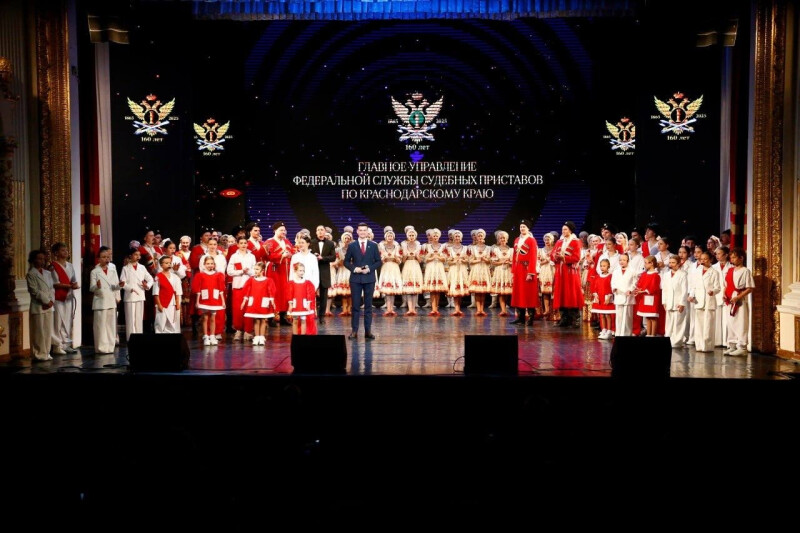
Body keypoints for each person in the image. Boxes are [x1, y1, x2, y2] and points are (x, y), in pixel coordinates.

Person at [343, 222, 382, 339]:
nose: (363, 232)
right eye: (361, 230)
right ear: (357, 231)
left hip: (369, 279)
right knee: (355, 306)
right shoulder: (352, 245)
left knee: (368, 306)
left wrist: (369, 269)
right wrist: (355, 269)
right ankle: (354, 331)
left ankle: (368, 331)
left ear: (367, 232)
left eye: (365, 230)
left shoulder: (373, 245)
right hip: (355, 279)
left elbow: (378, 262)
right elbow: (346, 262)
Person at [723, 248, 755, 357]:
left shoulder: (745, 271)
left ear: (741, 258)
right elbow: (726, 285)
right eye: (731, 257)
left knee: (740, 323)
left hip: (739, 300)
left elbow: (750, 288)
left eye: (734, 257)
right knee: (730, 322)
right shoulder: (730, 270)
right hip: (729, 299)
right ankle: (732, 345)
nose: (732, 259)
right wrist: (724, 294)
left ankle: (742, 347)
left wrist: (738, 297)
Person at [90, 248, 121, 354]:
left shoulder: (113, 270)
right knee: (100, 326)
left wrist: (120, 285)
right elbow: (91, 288)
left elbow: (114, 286)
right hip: (100, 301)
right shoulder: (94, 272)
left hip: (111, 301)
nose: (106, 259)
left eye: (108, 257)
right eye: (103, 257)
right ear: (98, 259)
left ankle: (110, 347)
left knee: (110, 326)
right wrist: (97, 286)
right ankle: (101, 348)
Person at [551, 221, 583, 328]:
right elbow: (552, 255)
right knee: (562, 294)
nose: (563, 231)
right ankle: (564, 319)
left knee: (571, 294)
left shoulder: (576, 242)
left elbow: (576, 257)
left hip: (570, 273)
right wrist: (555, 256)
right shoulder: (559, 242)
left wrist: (564, 258)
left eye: (565, 229)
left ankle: (575, 319)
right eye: (562, 229)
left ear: (570, 230)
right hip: (560, 273)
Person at [27, 250, 57, 360]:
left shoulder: (48, 273)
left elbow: (51, 289)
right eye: (39, 259)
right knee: (38, 332)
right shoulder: (31, 274)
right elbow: (35, 291)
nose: (42, 261)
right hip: (38, 306)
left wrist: (51, 301)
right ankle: (38, 354)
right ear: (33, 260)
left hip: (49, 306)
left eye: (43, 259)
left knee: (47, 331)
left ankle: (46, 352)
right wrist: (46, 301)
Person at [49, 242, 79, 353]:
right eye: (62, 250)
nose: (65, 252)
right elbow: (55, 283)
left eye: (66, 250)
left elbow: (73, 280)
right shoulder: (53, 266)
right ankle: (58, 346)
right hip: (58, 297)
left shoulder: (70, 266)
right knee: (58, 321)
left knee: (67, 320)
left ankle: (66, 344)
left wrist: (75, 285)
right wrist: (70, 286)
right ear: (56, 253)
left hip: (68, 296)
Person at [688, 251, 720, 352]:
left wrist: (713, 291)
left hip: (708, 301)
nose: (703, 261)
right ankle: (699, 346)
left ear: (710, 259)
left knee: (708, 325)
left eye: (705, 259)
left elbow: (718, 288)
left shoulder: (714, 272)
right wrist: (691, 295)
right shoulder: (697, 271)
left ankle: (707, 347)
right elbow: (693, 286)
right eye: (701, 259)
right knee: (699, 325)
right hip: (698, 301)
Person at [120, 247, 154, 341]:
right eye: (136, 255)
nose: (138, 257)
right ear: (130, 256)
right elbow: (122, 282)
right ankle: (131, 339)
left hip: (140, 295)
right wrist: (130, 288)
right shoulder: (125, 268)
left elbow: (150, 279)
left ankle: (139, 338)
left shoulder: (142, 267)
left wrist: (147, 286)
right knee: (130, 319)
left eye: (139, 255)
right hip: (130, 296)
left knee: (139, 318)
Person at [509, 220, 539, 326]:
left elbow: (533, 257)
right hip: (518, 269)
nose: (522, 228)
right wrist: (513, 271)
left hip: (527, 269)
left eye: (524, 227)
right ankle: (520, 318)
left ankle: (530, 318)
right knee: (519, 293)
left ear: (528, 228)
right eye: (521, 227)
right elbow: (514, 256)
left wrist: (530, 273)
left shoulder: (531, 240)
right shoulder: (517, 240)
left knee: (528, 293)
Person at [227, 236, 256, 341]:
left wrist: (248, 271)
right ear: (238, 245)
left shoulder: (251, 256)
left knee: (248, 308)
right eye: (241, 243)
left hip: (249, 286)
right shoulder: (234, 256)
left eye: (245, 243)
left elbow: (255, 270)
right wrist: (241, 271)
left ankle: (248, 331)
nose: (243, 245)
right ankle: (238, 330)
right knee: (238, 309)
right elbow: (229, 271)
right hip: (238, 286)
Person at [265, 221, 295, 326]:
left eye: (284, 230)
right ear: (275, 231)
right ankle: (271, 318)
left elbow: (292, 251)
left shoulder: (286, 241)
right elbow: (268, 256)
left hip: (285, 271)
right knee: (274, 292)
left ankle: (283, 316)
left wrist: (290, 254)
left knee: (285, 293)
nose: (283, 232)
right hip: (274, 271)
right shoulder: (269, 242)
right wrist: (281, 255)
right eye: (281, 230)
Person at [193, 255, 226, 346]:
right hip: (204, 298)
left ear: (214, 264)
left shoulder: (218, 275)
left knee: (213, 318)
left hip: (214, 298)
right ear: (204, 264)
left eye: (211, 263)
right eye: (208, 263)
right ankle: (206, 336)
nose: (210, 265)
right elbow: (198, 288)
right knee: (205, 317)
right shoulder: (200, 275)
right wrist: (197, 301)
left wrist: (223, 301)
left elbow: (221, 289)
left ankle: (212, 335)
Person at [242, 262, 276, 346]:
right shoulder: (251, 280)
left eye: (257, 269)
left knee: (263, 320)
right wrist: (244, 301)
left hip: (263, 302)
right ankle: (256, 337)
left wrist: (272, 301)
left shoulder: (268, 280)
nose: (255, 271)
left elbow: (271, 290)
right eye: (255, 269)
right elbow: (247, 290)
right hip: (255, 302)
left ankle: (261, 337)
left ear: (262, 270)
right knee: (256, 320)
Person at [311, 225, 336, 325]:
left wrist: (323, 258)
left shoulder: (330, 243)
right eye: (318, 230)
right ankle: (311, 315)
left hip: (324, 271)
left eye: (322, 230)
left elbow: (333, 257)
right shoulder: (311, 242)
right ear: (316, 232)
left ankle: (322, 316)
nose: (320, 232)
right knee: (311, 294)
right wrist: (314, 256)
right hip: (313, 271)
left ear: (325, 232)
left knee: (323, 296)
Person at [662, 254, 688, 348]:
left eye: (673, 263)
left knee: (678, 323)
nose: (671, 264)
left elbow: (684, 290)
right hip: (669, 301)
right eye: (670, 262)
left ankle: (677, 342)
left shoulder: (683, 274)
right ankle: (668, 339)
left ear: (678, 264)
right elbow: (664, 289)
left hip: (678, 301)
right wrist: (664, 301)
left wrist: (682, 303)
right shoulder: (666, 275)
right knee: (669, 323)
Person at [378, 227, 405, 317]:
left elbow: (399, 260)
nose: (390, 237)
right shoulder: (381, 247)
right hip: (386, 267)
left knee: (392, 289)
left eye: (391, 236)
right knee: (387, 288)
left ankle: (391, 309)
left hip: (394, 267)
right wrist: (384, 258)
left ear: (393, 237)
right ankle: (387, 309)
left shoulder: (397, 247)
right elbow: (379, 259)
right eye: (388, 236)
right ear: (385, 237)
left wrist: (395, 258)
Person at [153, 255, 182, 334]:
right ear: (161, 265)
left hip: (172, 303)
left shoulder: (175, 277)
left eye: (169, 263)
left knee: (172, 322)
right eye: (166, 263)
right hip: (162, 302)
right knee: (161, 322)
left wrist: (177, 303)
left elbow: (178, 292)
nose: (169, 264)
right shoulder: (158, 277)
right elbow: (155, 293)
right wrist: (159, 304)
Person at [635, 256, 662, 337]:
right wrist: (638, 290)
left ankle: (653, 334)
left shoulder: (656, 275)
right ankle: (648, 334)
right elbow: (640, 283)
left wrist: (644, 291)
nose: (645, 264)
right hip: (644, 297)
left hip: (652, 298)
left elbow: (654, 287)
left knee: (653, 317)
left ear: (652, 263)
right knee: (647, 317)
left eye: (646, 263)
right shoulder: (644, 274)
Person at [611, 252, 637, 337]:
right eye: (620, 260)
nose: (622, 261)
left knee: (627, 317)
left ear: (628, 261)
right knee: (619, 317)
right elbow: (613, 282)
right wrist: (614, 288)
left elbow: (635, 283)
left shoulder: (632, 271)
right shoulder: (616, 271)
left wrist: (630, 290)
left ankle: (627, 334)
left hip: (628, 296)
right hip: (619, 295)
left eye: (624, 260)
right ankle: (618, 334)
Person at [467, 229, 492, 316]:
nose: (480, 237)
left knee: (483, 290)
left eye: (481, 236)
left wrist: (485, 259)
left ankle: (482, 309)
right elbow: (470, 261)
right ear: (476, 237)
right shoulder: (472, 248)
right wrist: (478, 260)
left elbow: (490, 261)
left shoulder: (488, 248)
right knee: (477, 290)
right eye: (478, 236)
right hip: (476, 269)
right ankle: (478, 309)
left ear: (484, 237)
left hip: (484, 269)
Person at [288, 262, 317, 335]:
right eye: (300, 270)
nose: (302, 272)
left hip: (303, 305)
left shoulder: (307, 282)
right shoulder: (292, 283)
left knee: (303, 320)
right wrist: (290, 305)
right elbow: (290, 294)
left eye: (303, 271)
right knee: (295, 320)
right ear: (295, 271)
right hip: (296, 304)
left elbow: (309, 294)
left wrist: (308, 305)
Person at [400, 226, 423, 316]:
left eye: (413, 235)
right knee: (409, 289)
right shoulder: (404, 245)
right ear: (407, 236)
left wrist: (416, 256)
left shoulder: (419, 245)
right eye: (410, 235)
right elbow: (403, 261)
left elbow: (420, 261)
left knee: (415, 288)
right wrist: (406, 255)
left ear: (415, 236)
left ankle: (414, 308)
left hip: (415, 266)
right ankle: (410, 309)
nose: (411, 237)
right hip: (407, 266)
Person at [490, 230, 513, 317]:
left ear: (507, 239)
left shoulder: (511, 250)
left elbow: (514, 262)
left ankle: (509, 308)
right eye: (500, 238)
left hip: (508, 271)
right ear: (498, 240)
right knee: (501, 291)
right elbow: (493, 262)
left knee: (507, 291)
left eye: (504, 238)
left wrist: (509, 262)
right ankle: (503, 310)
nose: (502, 239)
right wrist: (503, 262)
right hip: (499, 271)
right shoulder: (495, 250)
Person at [591, 258, 614, 339]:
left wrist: (608, 298)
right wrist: (595, 296)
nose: (602, 267)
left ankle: (609, 330)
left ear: (608, 267)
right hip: (600, 298)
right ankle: (604, 329)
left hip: (606, 298)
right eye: (601, 266)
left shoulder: (610, 276)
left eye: (604, 266)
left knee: (607, 314)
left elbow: (611, 287)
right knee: (602, 315)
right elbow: (594, 287)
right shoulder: (597, 277)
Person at [538, 233, 555, 320]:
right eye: (545, 239)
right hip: (544, 271)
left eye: (548, 239)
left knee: (553, 292)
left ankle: (554, 311)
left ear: (552, 240)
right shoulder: (540, 250)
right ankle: (547, 310)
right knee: (545, 292)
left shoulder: (555, 250)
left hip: (553, 271)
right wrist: (545, 261)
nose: (547, 241)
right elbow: (537, 263)